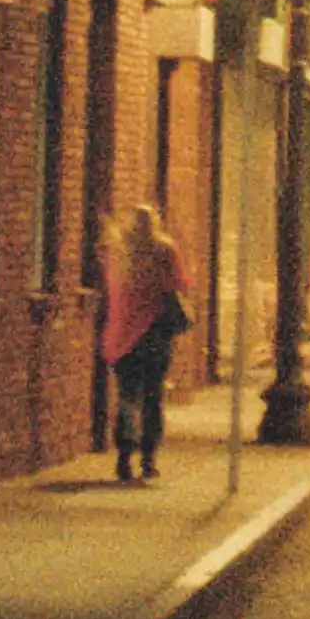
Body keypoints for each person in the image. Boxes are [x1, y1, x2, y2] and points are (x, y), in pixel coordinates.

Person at [100, 204, 191, 483]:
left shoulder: (120, 252)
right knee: (153, 398)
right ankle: (149, 459)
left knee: (127, 397)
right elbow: (181, 283)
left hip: (123, 335)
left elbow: (112, 288)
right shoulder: (164, 250)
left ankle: (124, 457)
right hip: (154, 333)